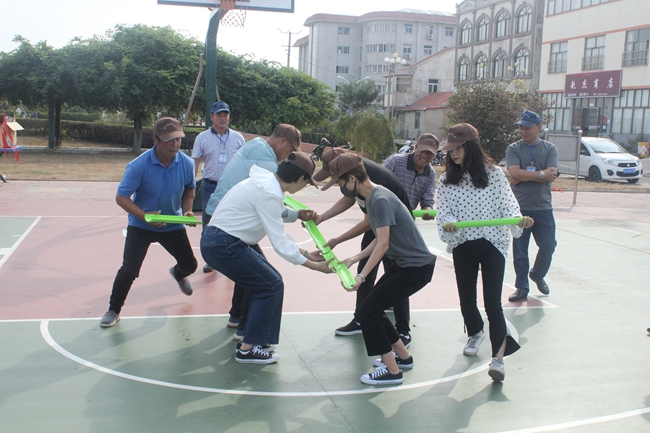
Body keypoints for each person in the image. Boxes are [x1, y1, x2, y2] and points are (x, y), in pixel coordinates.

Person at [201, 152, 331, 364]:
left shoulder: (265, 183)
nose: (305, 187)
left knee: (266, 281)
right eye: (307, 183)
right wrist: (315, 266)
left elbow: (278, 220)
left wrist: (306, 252)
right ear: (299, 179)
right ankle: (248, 349)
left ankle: (254, 338)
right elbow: (279, 242)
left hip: (220, 241)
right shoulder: (269, 192)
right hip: (224, 244)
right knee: (271, 285)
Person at [327, 153, 436, 385]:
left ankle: (392, 372)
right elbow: (378, 238)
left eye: (340, 182)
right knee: (372, 308)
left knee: (367, 312)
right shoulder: (372, 198)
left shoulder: (380, 200)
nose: (340, 188)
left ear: (353, 178)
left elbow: (383, 244)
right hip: (405, 266)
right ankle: (403, 357)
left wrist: (361, 275)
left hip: (415, 269)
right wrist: (354, 258)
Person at [436, 123, 533, 382]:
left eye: (458, 148)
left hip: (493, 243)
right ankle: (475, 332)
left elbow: (509, 205)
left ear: (471, 147)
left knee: (493, 304)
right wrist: (449, 222)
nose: (454, 154)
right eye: (450, 150)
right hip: (463, 243)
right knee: (467, 301)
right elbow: (443, 210)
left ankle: (498, 359)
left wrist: (518, 220)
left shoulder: (495, 174)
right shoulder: (446, 180)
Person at [203, 124, 315, 336]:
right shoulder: (267, 165)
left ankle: (239, 319)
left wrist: (305, 250)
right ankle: (248, 334)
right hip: (229, 227)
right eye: (291, 150)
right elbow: (272, 210)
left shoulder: (255, 148)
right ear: (283, 141)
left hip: (222, 220)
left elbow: (270, 208)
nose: (288, 155)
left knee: (253, 271)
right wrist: (313, 263)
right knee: (266, 280)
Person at [100, 117, 198, 328]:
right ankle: (113, 310)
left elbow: (190, 189)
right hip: (141, 225)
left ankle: (178, 274)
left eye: (178, 139)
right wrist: (144, 216)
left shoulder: (187, 163)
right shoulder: (138, 166)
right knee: (129, 270)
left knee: (190, 265)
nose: (175, 144)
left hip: (172, 223)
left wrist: (187, 210)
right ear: (155, 140)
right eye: (169, 140)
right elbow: (122, 197)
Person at [312, 148, 414, 346]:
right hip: (377, 224)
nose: (338, 183)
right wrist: (323, 217)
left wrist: (338, 239)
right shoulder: (354, 177)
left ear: (349, 174)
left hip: (395, 229)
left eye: (338, 179)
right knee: (365, 268)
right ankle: (360, 319)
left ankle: (403, 330)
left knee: (395, 277)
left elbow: (369, 223)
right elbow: (349, 198)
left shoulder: (374, 181)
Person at [505, 110, 559, 302]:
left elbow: (552, 174)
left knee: (549, 245)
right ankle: (521, 287)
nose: (523, 131)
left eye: (527, 127)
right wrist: (541, 175)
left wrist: (526, 176)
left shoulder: (550, 149)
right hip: (519, 208)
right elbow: (514, 173)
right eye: (521, 127)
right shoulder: (513, 149)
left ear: (539, 128)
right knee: (520, 250)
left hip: (543, 207)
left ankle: (537, 274)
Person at [191, 101, 245, 274]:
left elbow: (244, 162)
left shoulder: (238, 138)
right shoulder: (202, 138)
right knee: (209, 224)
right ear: (212, 116)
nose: (223, 118)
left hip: (232, 188)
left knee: (233, 223)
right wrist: (191, 184)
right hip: (210, 187)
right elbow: (195, 161)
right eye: (219, 115)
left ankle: (234, 259)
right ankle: (210, 260)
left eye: (225, 115)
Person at [383, 132, 438, 220]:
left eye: (429, 153)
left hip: (407, 218)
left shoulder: (431, 174)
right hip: (384, 214)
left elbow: (427, 200)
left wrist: (427, 209)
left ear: (435, 155)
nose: (424, 155)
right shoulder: (395, 161)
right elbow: (376, 184)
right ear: (415, 148)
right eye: (422, 151)